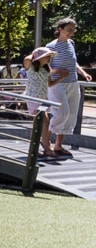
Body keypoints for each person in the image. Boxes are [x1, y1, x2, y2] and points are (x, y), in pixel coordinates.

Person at [45, 17, 91, 158]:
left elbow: (74, 62)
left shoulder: (71, 43)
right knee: (61, 113)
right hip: (58, 83)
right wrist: (59, 72)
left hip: (73, 82)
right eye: (69, 30)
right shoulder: (51, 46)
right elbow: (45, 67)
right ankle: (45, 142)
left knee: (70, 115)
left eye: (73, 30)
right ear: (60, 29)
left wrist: (83, 73)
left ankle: (58, 145)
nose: (71, 32)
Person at [22, 46, 57, 157]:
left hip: (43, 97)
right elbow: (27, 59)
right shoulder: (31, 66)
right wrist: (37, 54)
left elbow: (50, 83)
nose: (49, 58)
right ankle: (46, 148)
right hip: (33, 97)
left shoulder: (46, 68)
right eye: (47, 56)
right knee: (44, 121)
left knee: (38, 123)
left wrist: (61, 77)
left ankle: (35, 147)